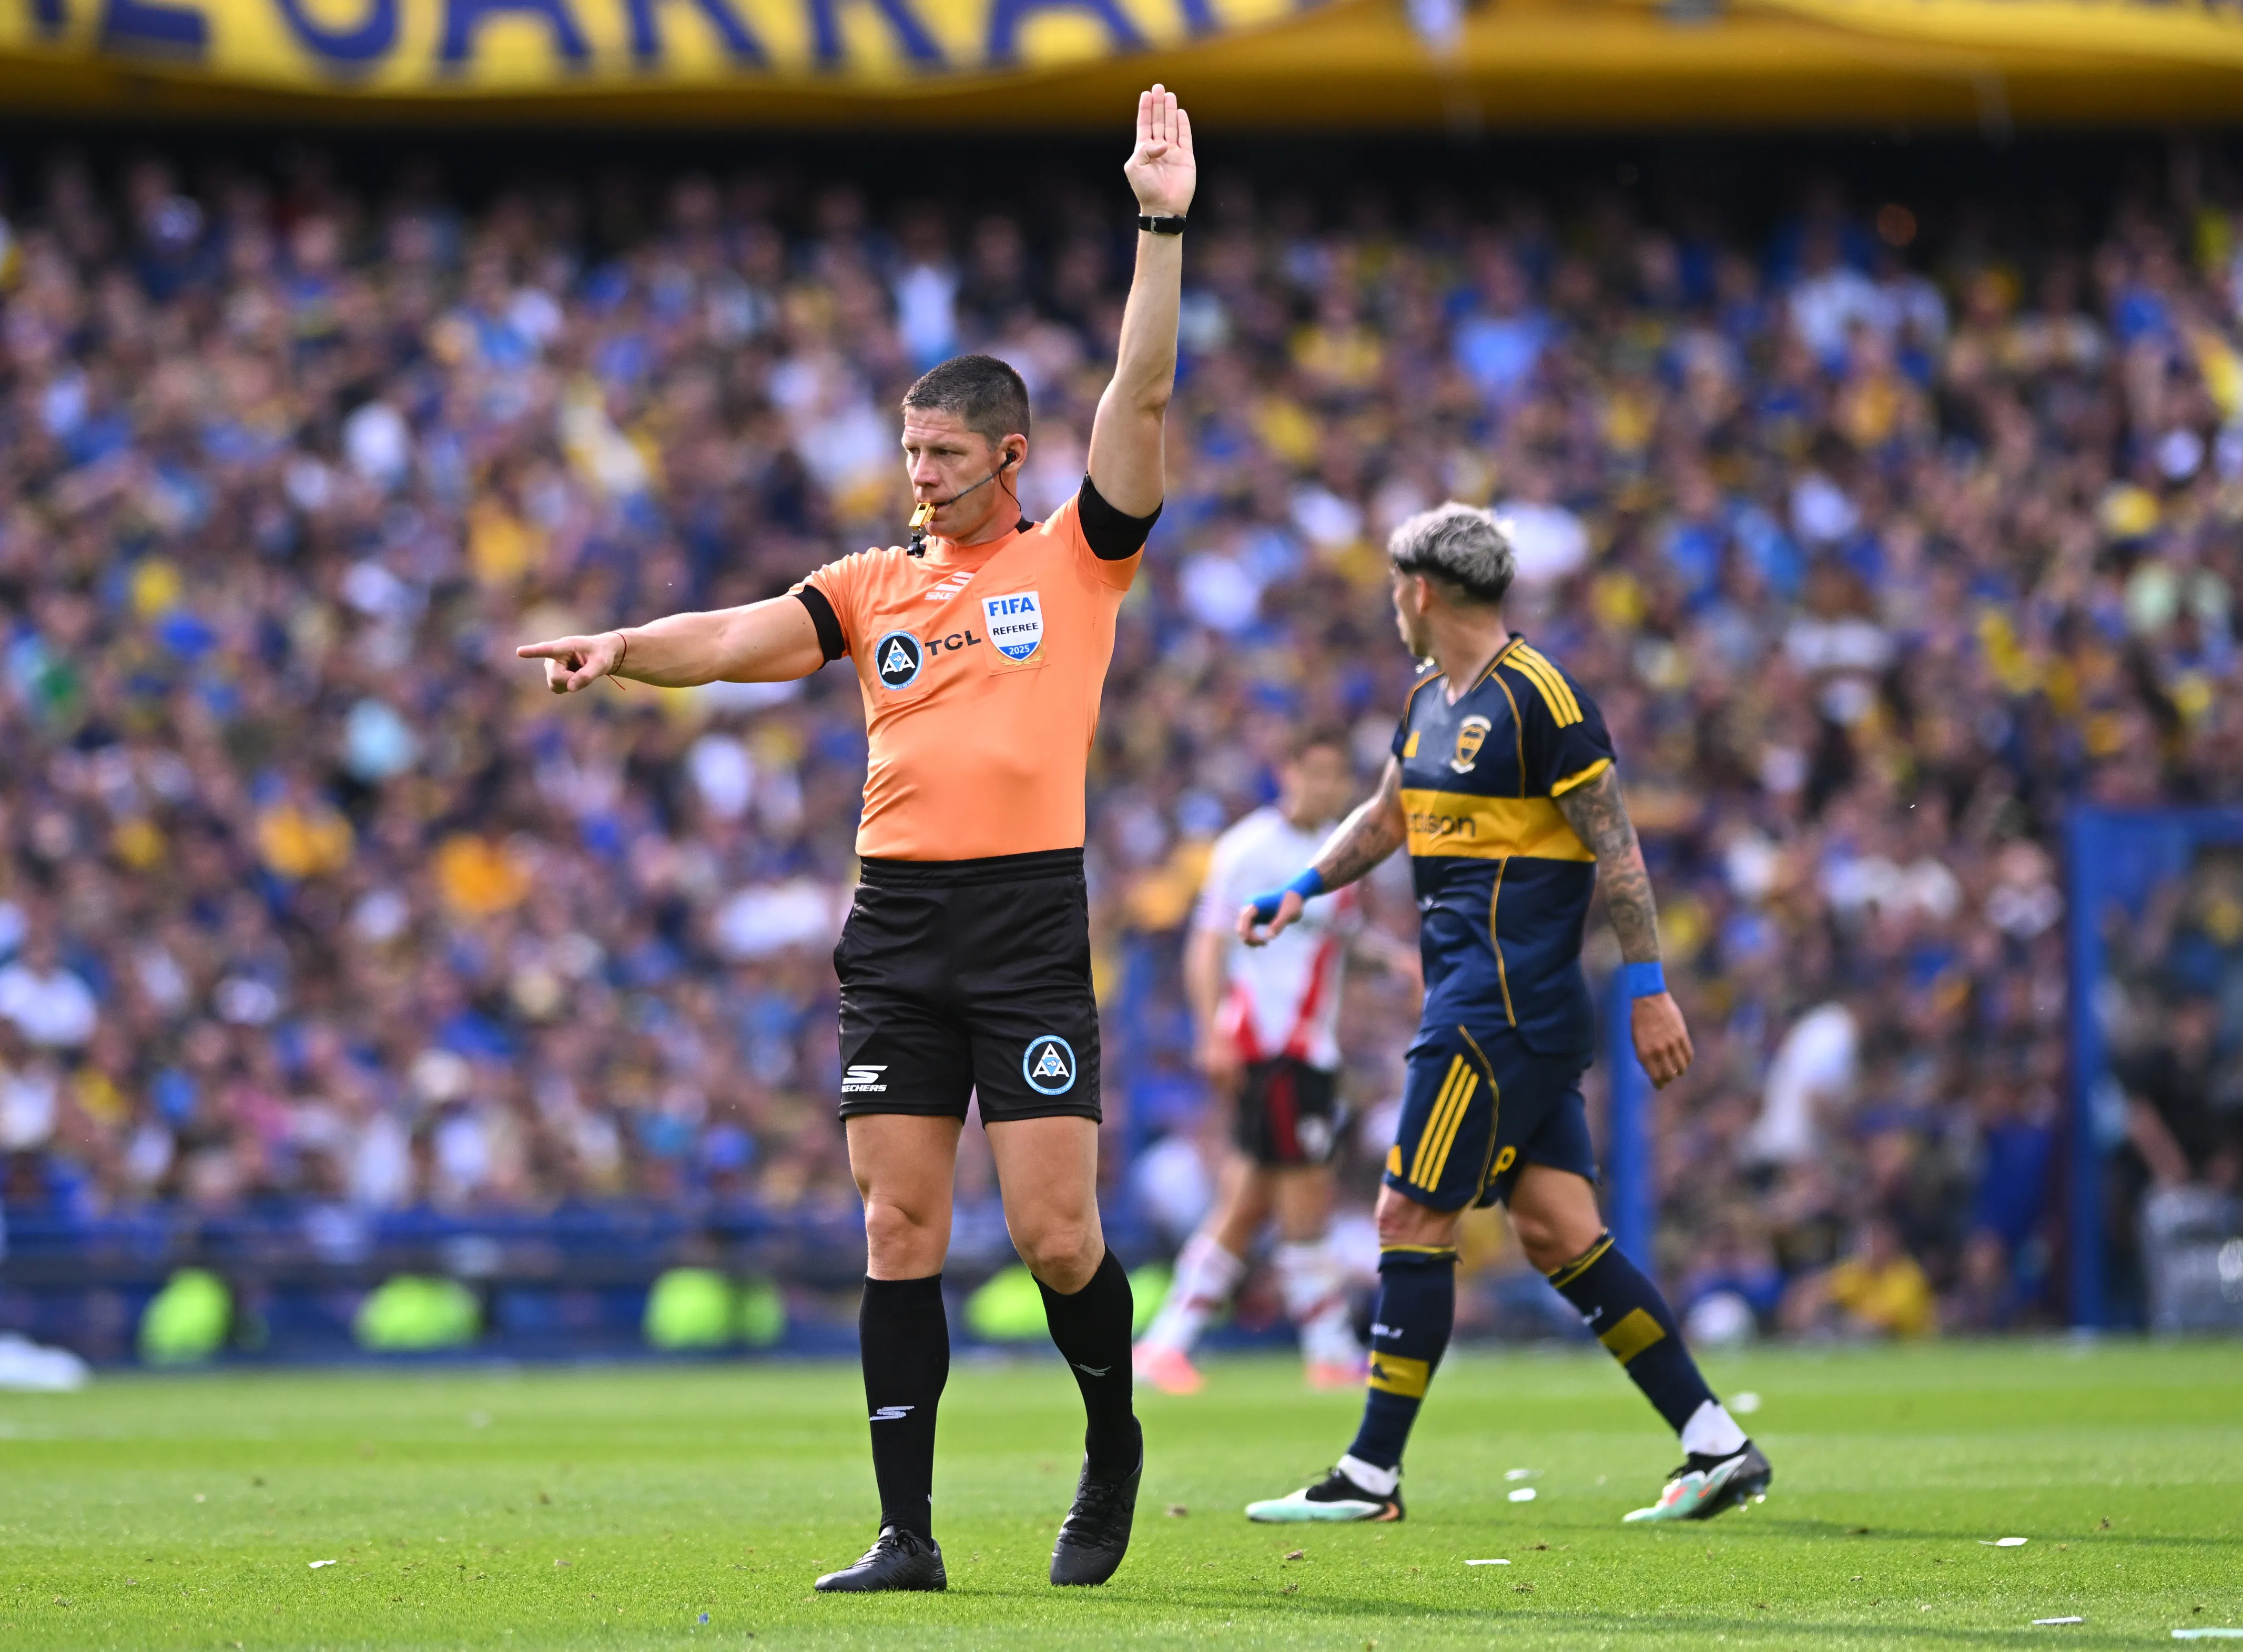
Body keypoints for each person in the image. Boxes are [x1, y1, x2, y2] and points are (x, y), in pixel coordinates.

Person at [516, 85, 1197, 1593]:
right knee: (898, 1219)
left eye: (946, 455)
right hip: (895, 927)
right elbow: (744, 638)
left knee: (1058, 1234)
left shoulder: (1075, 558)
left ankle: (1112, 1438)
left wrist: (1157, 227)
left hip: (1025, 926)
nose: (920, 476)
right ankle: (909, 1530)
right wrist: (624, 647)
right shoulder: (871, 584)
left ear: (1012, 456)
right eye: (910, 452)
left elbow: (1139, 404)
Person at [1234, 504, 1773, 1527]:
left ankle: (1369, 1474)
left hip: (1499, 1008)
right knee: (1557, 1229)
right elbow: (1389, 814)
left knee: (1406, 1217)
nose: (1392, 605)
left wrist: (1648, 985)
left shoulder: (1544, 700)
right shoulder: (1426, 697)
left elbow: (1616, 847)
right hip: (1479, 1000)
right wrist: (1303, 885)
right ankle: (1715, 1441)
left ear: (1422, 591)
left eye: (1396, 587)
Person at [1134, 728, 1414, 1394]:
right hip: (1271, 1047)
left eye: (1334, 776)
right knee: (1303, 1197)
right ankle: (1327, 1350)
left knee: (1249, 1202)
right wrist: (1211, 1033)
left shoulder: (1342, 852)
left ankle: (1166, 1342)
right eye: (1311, 774)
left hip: (1308, 1050)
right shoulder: (1248, 849)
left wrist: (1393, 958)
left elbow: (1340, 936)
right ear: (1284, 771)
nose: (1323, 788)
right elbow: (1207, 947)